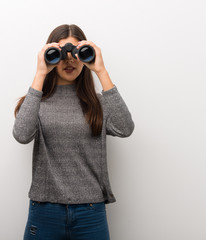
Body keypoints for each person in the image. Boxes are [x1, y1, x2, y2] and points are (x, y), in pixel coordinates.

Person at [12, 24, 135, 240]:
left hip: (90, 211)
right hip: (45, 209)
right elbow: (22, 135)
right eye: (61, 53)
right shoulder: (37, 101)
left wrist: (101, 70)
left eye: (76, 52)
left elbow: (125, 129)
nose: (69, 59)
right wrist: (40, 73)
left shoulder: (98, 103)